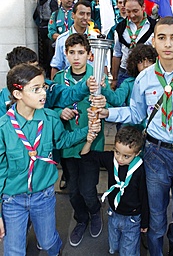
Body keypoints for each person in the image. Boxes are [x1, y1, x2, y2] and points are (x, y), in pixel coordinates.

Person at [93, 16, 173, 256]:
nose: (167, 44)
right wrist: (107, 112)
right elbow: (135, 112)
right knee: (155, 221)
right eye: (161, 38)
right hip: (156, 155)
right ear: (154, 41)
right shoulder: (144, 78)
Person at [0, 63, 101, 256]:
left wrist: (87, 131)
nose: (43, 93)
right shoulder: (3, 128)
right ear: (18, 93)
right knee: (13, 250)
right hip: (13, 199)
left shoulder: (51, 118)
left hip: (43, 196)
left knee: (48, 241)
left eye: (43, 87)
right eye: (35, 89)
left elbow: (62, 140)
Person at [53, 34, 105, 246]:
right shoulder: (59, 79)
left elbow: (107, 101)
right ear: (65, 54)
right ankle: (81, 218)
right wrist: (59, 111)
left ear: (88, 54)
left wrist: (103, 103)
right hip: (68, 143)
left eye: (81, 53)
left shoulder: (97, 75)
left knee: (87, 189)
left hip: (91, 141)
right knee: (73, 190)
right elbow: (50, 105)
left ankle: (94, 213)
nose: (76, 57)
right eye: (71, 52)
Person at [80, 126, 149, 256]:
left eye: (126, 156)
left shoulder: (140, 169)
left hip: (132, 217)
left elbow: (144, 196)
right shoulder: (110, 159)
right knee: (114, 245)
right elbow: (86, 157)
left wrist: (145, 221)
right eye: (117, 152)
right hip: (113, 213)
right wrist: (89, 141)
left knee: (128, 251)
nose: (120, 159)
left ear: (137, 153)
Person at [0, 46, 100, 117]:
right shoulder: (4, 97)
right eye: (32, 68)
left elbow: (69, 94)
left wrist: (86, 85)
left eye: (37, 66)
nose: (38, 71)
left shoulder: (49, 87)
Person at [111, 0, 156, 90]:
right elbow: (117, 54)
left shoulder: (154, 27)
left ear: (143, 6)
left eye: (135, 11)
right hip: (125, 73)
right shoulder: (120, 28)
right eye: (128, 11)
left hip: (147, 73)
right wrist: (114, 79)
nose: (132, 15)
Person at [50, 0, 93, 79]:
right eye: (81, 13)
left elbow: (103, 65)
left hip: (92, 85)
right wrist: (54, 87)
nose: (85, 17)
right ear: (73, 15)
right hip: (69, 85)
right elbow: (56, 66)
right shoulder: (62, 39)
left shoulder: (95, 39)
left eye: (88, 14)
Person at [33, 0, 58, 78]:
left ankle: (45, 70)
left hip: (41, 27)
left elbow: (35, 15)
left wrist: (39, 24)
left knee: (43, 51)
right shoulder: (52, 0)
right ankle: (50, 72)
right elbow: (55, 15)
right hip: (49, 27)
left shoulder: (40, 0)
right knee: (51, 52)